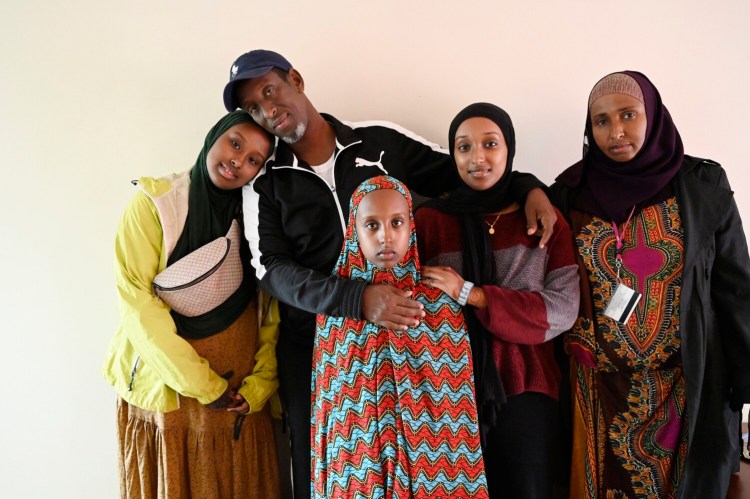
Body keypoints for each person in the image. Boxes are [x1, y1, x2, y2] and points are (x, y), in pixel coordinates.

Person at [221, 48, 559, 498]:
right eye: (254, 108)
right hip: (322, 346)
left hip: (414, 334)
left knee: (429, 466)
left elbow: (465, 171)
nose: (268, 110)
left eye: (270, 91)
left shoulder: (379, 140)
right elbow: (272, 269)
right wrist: (355, 299)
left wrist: (528, 186)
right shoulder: (265, 180)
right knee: (326, 476)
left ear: (296, 80)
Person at [550, 71, 750, 498]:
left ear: (654, 116)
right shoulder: (568, 194)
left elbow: (736, 289)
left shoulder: (703, 185)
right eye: (601, 121)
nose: (615, 132)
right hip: (598, 393)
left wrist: (745, 380)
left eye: (628, 115)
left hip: (684, 386)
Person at [102, 111, 281, 498]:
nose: (239, 161)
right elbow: (138, 306)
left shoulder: (258, 217)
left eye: (254, 159)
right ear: (213, 136)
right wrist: (203, 385)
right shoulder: (155, 205)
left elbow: (270, 307)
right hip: (173, 400)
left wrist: (261, 384)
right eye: (235, 143)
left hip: (239, 401)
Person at [415, 103, 580, 498]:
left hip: (528, 386)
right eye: (464, 147)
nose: (478, 158)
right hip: (447, 390)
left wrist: (473, 295)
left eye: (490, 144)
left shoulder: (543, 220)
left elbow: (562, 309)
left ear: (509, 150)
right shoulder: (430, 222)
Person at [312, 175, 488, 498]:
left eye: (396, 223)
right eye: (372, 225)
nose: (386, 237)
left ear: (411, 226)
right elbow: (331, 418)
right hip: (360, 464)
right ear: (354, 232)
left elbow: (456, 410)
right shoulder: (336, 312)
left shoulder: (439, 303)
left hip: (431, 469)